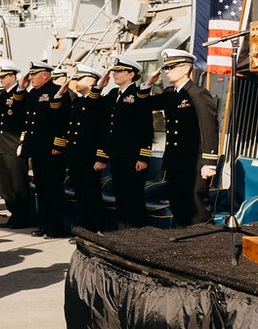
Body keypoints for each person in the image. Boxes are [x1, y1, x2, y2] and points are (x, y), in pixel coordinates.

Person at [139, 49, 220, 227]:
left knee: (198, 211)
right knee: (178, 208)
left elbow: (209, 128)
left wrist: (209, 162)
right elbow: (143, 105)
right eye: (166, 68)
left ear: (185, 68)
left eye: (171, 67)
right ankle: (185, 250)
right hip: (174, 162)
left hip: (194, 164)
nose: (167, 72)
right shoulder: (170, 94)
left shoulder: (198, 94)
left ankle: (206, 249)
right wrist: (147, 85)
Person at [94, 55, 154, 229]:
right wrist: (99, 87)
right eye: (114, 71)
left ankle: (138, 232)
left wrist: (144, 157)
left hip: (133, 156)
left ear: (131, 74)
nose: (115, 74)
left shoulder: (138, 94)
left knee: (133, 196)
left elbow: (146, 127)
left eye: (119, 71)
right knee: (120, 195)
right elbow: (93, 109)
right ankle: (123, 231)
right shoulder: (113, 94)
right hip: (116, 153)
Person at [20, 61, 71, 238]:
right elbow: (19, 111)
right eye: (31, 74)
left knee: (53, 190)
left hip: (51, 149)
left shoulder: (57, 91)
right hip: (36, 149)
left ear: (46, 75)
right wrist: (21, 88)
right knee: (41, 190)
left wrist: (58, 144)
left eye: (35, 74)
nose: (32, 77)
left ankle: (55, 227)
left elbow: (63, 121)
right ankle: (44, 225)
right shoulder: (33, 94)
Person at [0, 60, 31, 229]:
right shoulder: (2, 94)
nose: (1, 80)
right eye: (0, 77)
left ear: (12, 76)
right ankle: (14, 214)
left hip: (13, 144)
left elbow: (23, 115)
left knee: (18, 183)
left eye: (4, 77)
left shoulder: (21, 93)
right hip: (0, 144)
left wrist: (23, 142)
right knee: (5, 185)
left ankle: (23, 216)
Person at [60, 63, 106, 232]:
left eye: (79, 78)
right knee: (80, 195)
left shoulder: (99, 102)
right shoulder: (77, 101)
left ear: (91, 80)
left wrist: (101, 157)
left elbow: (103, 131)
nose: (76, 82)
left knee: (91, 196)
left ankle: (95, 230)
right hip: (75, 157)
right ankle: (86, 229)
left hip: (90, 158)